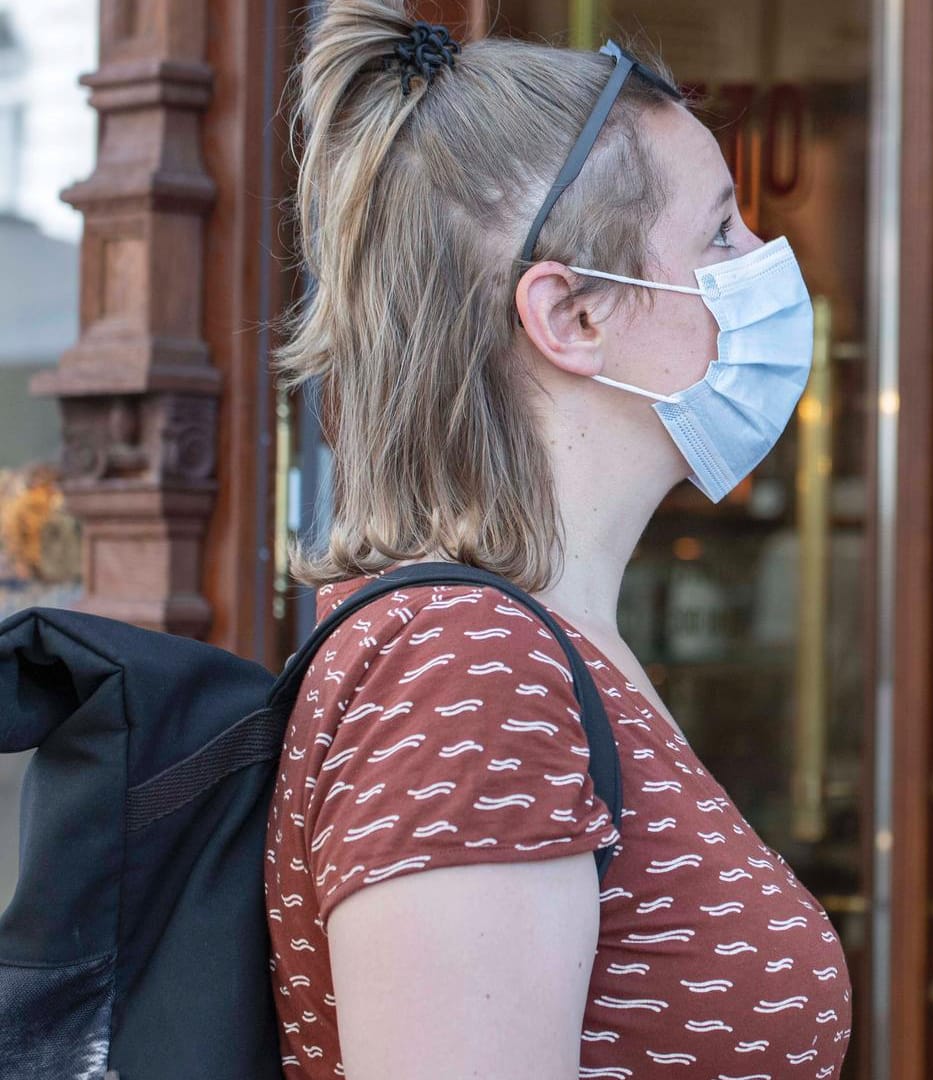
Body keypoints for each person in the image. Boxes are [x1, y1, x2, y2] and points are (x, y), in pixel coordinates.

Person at [261, 2, 849, 1077]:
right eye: (719, 230)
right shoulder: (466, 674)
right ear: (573, 316)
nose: (765, 258)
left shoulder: (537, 646)